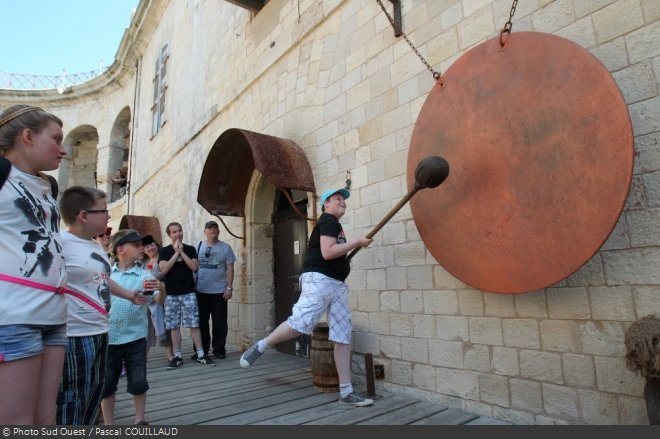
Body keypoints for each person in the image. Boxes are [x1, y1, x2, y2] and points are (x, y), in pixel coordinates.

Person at [240, 188, 374, 407]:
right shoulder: (329, 220)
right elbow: (328, 252)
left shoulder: (333, 224)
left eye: (343, 199)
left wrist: (345, 257)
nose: (343, 202)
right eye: (337, 199)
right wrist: (357, 243)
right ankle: (262, 345)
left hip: (337, 284)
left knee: (343, 336)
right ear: (326, 205)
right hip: (320, 280)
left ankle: (346, 392)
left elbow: (334, 254)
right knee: (300, 324)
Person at [56, 186, 148, 425]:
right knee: (72, 398)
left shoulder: (93, 247)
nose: (108, 216)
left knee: (94, 393)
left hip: (100, 332)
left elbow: (103, 280)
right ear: (83, 216)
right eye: (104, 211)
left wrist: (129, 295)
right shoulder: (59, 244)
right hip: (75, 335)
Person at [0, 105, 68, 425]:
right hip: (14, 315)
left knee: (45, 417)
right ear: (28, 136)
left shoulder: (49, 186)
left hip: (53, 314)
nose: (63, 149)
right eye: (56, 139)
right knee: (17, 423)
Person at [100, 229, 163, 425]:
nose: (141, 248)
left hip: (135, 337)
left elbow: (158, 300)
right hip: (110, 337)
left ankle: (139, 419)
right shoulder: (107, 273)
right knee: (107, 384)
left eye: (141, 245)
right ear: (120, 249)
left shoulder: (145, 274)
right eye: (136, 245)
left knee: (138, 381)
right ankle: (109, 424)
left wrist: (162, 289)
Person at [158, 222, 214, 367]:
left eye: (180, 231)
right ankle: (177, 356)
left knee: (194, 324)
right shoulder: (164, 251)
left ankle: (201, 354)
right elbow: (163, 270)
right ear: (169, 235)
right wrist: (176, 253)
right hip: (171, 295)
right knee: (174, 326)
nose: (178, 234)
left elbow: (194, 267)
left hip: (189, 293)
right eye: (174, 232)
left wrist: (182, 252)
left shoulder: (190, 249)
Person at [194, 220, 236, 360]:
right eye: (210, 228)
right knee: (201, 322)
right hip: (200, 291)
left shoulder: (226, 248)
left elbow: (230, 268)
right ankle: (202, 350)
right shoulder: (198, 246)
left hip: (219, 291)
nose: (213, 230)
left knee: (220, 322)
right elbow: (194, 267)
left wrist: (229, 288)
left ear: (218, 231)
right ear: (205, 231)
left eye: (215, 228)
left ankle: (219, 349)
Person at [142, 235, 173, 364]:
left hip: (161, 296)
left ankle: (170, 355)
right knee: (146, 326)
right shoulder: (143, 264)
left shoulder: (162, 259)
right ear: (144, 250)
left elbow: (165, 274)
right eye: (147, 246)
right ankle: (143, 356)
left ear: (157, 245)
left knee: (163, 326)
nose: (150, 248)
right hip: (146, 297)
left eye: (152, 245)